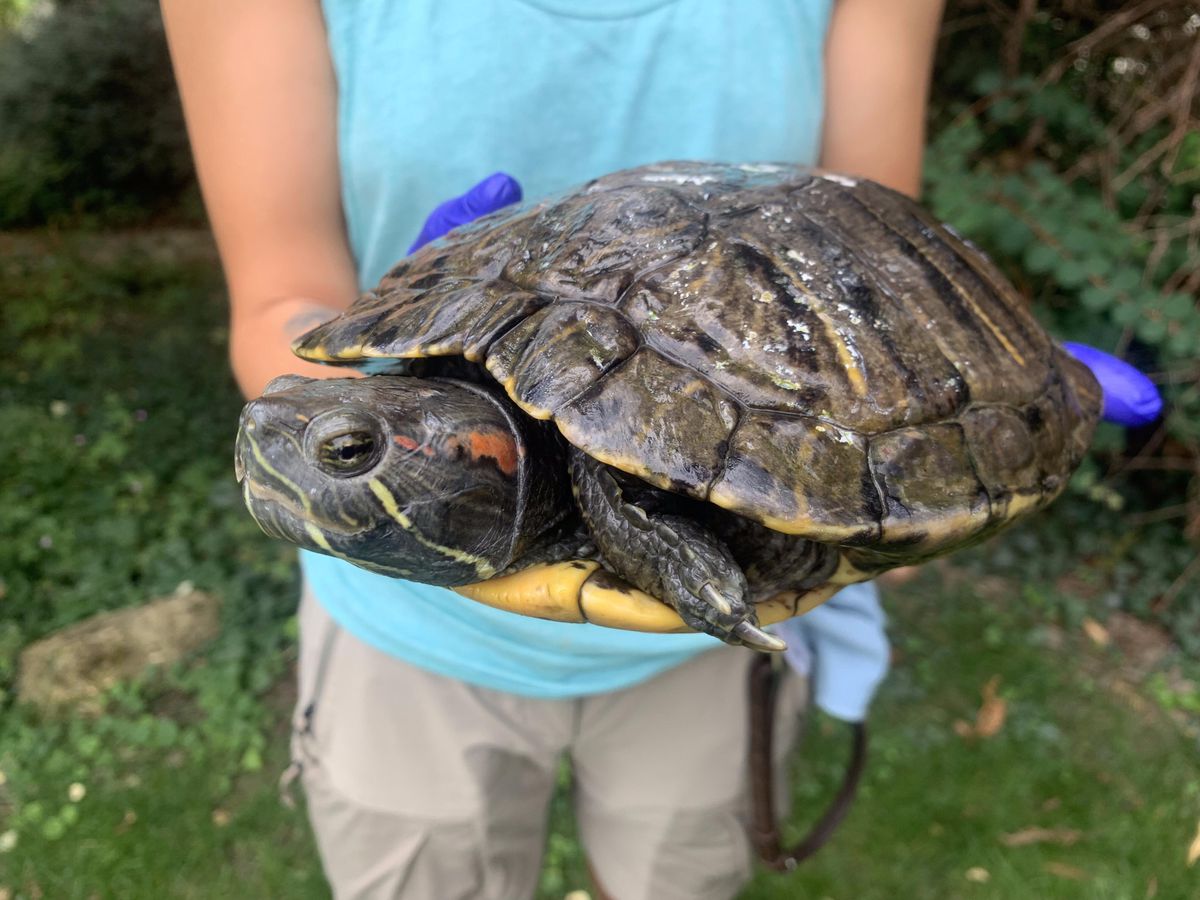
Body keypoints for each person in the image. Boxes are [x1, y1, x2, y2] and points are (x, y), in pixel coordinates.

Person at [161, 2, 945, 897]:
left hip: (709, 646)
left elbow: (869, 272)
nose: (270, 438)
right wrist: (367, 355)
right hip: (404, 637)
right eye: (345, 448)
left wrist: (940, 440)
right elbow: (278, 303)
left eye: (347, 451)